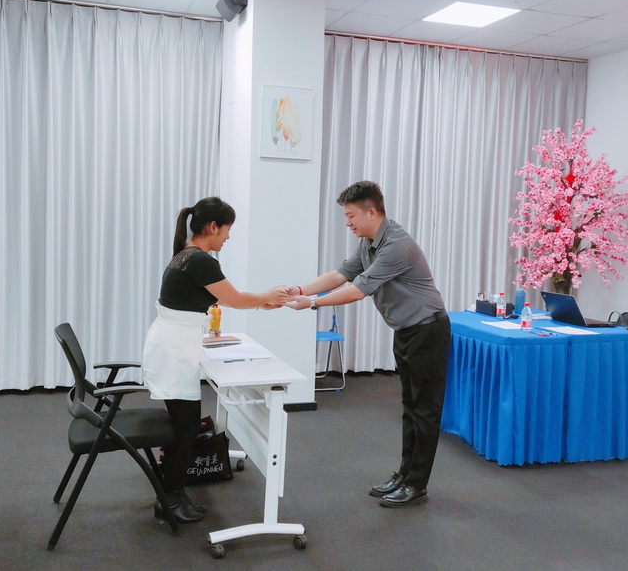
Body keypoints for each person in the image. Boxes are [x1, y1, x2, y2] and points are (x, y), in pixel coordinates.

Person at [285, 180, 450, 508]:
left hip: (428, 332)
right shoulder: (369, 242)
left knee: (425, 412)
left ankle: (417, 484)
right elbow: (340, 275)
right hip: (407, 331)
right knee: (410, 408)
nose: (347, 223)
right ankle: (405, 475)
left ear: (371, 213)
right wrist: (300, 290)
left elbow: (358, 290)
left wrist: (313, 304)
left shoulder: (396, 246)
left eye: (350, 216)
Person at [143, 196, 288, 522]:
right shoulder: (200, 260)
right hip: (175, 351)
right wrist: (266, 296)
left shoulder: (187, 254)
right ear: (212, 227)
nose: (229, 236)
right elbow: (233, 298)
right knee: (186, 429)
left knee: (185, 426)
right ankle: (170, 500)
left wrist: (259, 302)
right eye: (227, 229)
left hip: (172, 345)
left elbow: (221, 298)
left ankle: (172, 495)